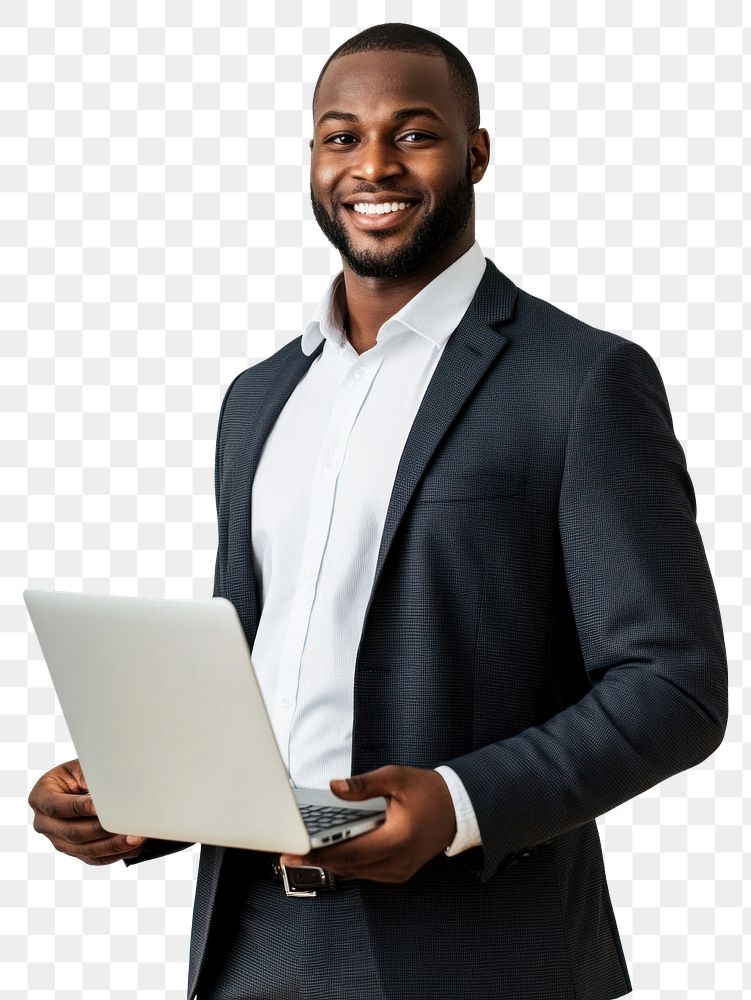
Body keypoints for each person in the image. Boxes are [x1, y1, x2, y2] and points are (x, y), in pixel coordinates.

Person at [28, 22, 728, 1000]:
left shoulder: (576, 382)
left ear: (474, 151)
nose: (372, 165)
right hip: (249, 945)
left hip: (473, 954)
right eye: (339, 135)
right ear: (312, 157)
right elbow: (249, 677)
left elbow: (673, 686)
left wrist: (458, 802)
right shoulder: (257, 397)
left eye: (412, 133)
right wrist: (140, 792)